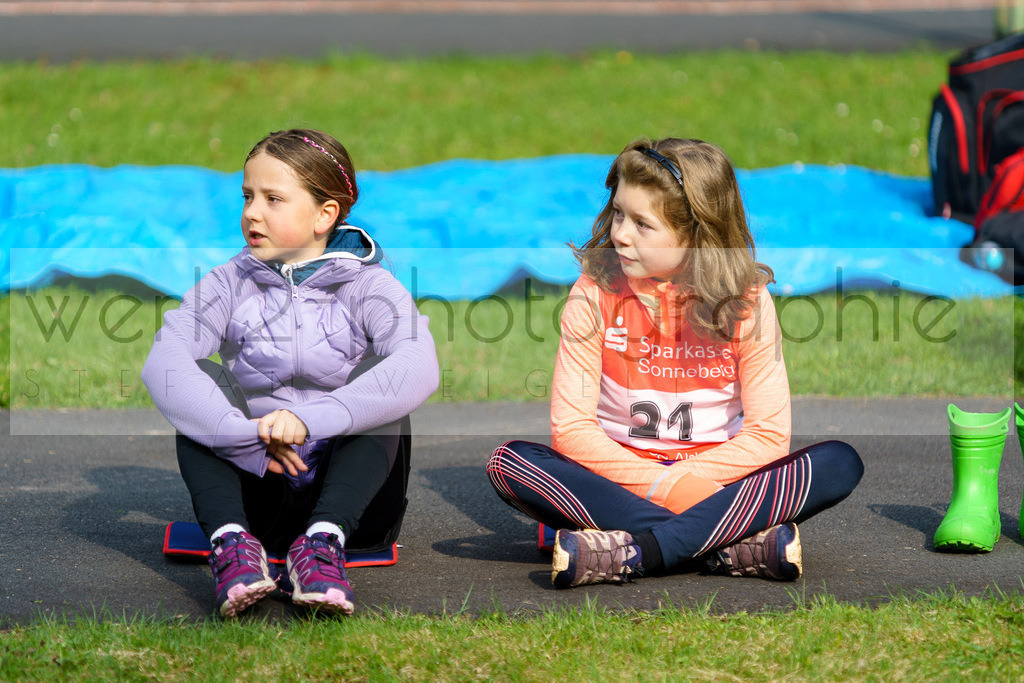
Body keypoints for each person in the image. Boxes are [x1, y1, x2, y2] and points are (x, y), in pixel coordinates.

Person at [486, 138, 864, 588]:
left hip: (720, 479)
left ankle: (635, 549)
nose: (621, 233)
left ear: (697, 236)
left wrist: (684, 481)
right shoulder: (593, 291)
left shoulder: (748, 302)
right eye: (620, 213)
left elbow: (767, 436)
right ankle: (734, 543)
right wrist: (673, 491)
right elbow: (572, 431)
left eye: (643, 224)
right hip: (619, 480)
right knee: (509, 463)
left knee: (840, 462)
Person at [142, 129, 438, 616]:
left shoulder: (371, 286)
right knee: (200, 384)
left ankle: (323, 546)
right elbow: (164, 362)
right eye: (247, 196)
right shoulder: (227, 282)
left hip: (353, 506)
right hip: (259, 491)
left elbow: (420, 365)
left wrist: (313, 420)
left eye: (273, 199)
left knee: (383, 378)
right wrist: (241, 434)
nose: (252, 213)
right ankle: (232, 546)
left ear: (326, 215)